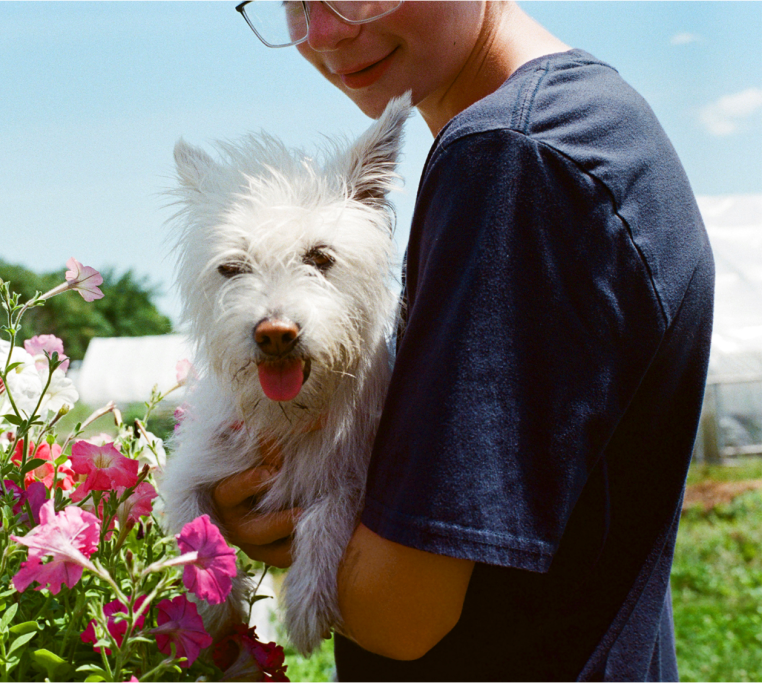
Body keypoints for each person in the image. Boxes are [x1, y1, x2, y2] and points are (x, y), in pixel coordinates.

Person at [215, 1, 715, 680]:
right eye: (295, 3)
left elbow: (402, 614)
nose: (325, 31)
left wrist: (289, 533)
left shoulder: (513, 157)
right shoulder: (586, 123)